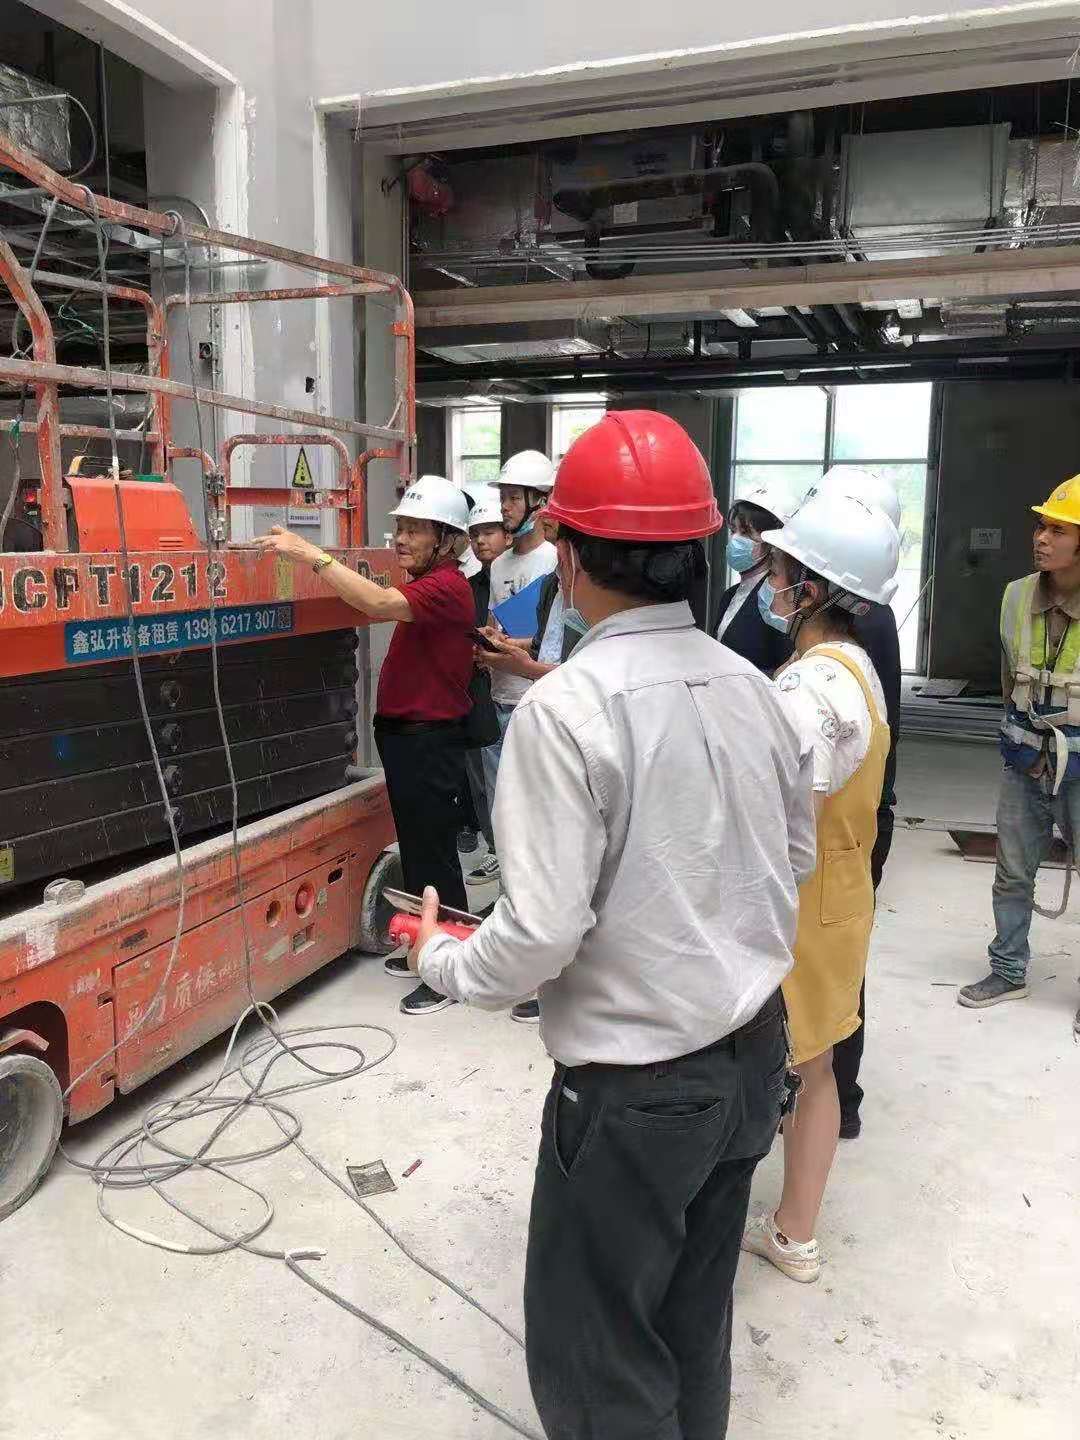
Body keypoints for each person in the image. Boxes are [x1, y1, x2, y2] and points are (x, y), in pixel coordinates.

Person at [406, 409, 816, 1439]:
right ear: (699, 552)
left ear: (572, 555)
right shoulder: (757, 689)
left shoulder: (568, 709)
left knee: (599, 1355)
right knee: (692, 1319)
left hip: (640, 1090)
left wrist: (446, 957)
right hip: (754, 1056)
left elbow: (539, 936)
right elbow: (794, 863)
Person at [741, 492, 898, 1284]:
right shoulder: (857, 669)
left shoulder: (808, 689)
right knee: (818, 1068)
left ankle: (763, 1226)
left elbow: (781, 823)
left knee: (765, 1071)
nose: (769, 581)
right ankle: (795, 1231)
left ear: (812, 587)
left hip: (795, 908)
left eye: (779, 567)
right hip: (840, 898)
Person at [252, 474, 475, 1018]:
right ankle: (427, 943)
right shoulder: (430, 582)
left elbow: (376, 601)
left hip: (429, 739)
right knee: (417, 849)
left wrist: (312, 554)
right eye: (402, 528)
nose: (402, 539)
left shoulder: (447, 586)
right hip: (406, 738)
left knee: (435, 854)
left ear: (447, 540)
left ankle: (451, 968)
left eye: (416, 530)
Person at [960, 475, 1080, 1037]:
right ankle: (1008, 970)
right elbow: (1011, 680)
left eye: (1058, 529)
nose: (1041, 538)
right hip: (1026, 760)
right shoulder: (1015, 596)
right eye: (1041, 526)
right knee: (1012, 872)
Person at [478, 449, 558, 878]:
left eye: (513, 498)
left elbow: (552, 642)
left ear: (540, 502)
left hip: (535, 701)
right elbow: (497, 624)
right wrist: (489, 641)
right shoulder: (499, 565)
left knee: (535, 812)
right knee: (500, 808)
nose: (505, 507)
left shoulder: (555, 561)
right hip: (499, 696)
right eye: (503, 497)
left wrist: (511, 647)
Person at [456, 486, 508, 863]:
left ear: (507, 535)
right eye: (474, 535)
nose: (481, 541)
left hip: (513, 692)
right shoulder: (469, 588)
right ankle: (490, 844)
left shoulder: (531, 576)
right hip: (476, 692)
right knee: (479, 778)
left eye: (489, 533)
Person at [715, 476, 800, 670]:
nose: (735, 540)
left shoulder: (778, 601)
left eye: (746, 533)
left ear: (772, 542)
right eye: (733, 530)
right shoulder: (729, 596)